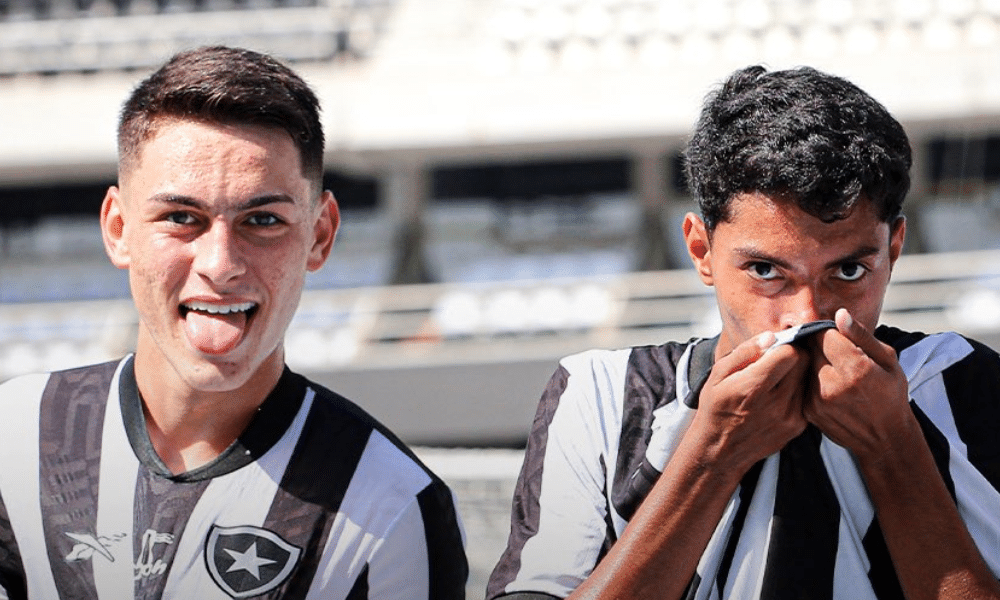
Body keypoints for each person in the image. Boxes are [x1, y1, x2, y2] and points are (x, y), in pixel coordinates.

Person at [487, 65, 1000, 600]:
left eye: (848, 272)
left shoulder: (961, 381)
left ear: (892, 250)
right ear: (701, 251)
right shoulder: (601, 393)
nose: (806, 315)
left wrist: (892, 447)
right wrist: (712, 456)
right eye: (765, 271)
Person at [0, 46, 467, 599]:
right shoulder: (13, 440)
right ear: (118, 227)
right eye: (181, 218)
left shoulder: (393, 506)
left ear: (319, 235)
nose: (220, 264)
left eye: (263, 220)